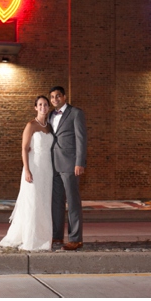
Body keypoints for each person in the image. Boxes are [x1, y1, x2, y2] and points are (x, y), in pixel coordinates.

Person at [0, 96, 54, 251]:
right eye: (40, 105)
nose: (43, 107)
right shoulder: (31, 125)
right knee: (33, 202)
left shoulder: (49, 127)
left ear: (48, 107)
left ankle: (44, 237)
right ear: (35, 107)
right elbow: (24, 148)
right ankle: (31, 238)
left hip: (47, 169)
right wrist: (27, 170)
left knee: (44, 202)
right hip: (34, 167)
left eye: (45, 105)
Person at [49, 86, 87, 251]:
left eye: (58, 96)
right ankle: (57, 236)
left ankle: (75, 239)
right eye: (52, 97)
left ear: (64, 97)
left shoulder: (76, 113)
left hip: (70, 164)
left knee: (72, 202)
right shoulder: (50, 115)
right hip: (53, 164)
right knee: (56, 202)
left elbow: (81, 139)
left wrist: (80, 162)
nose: (55, 99)